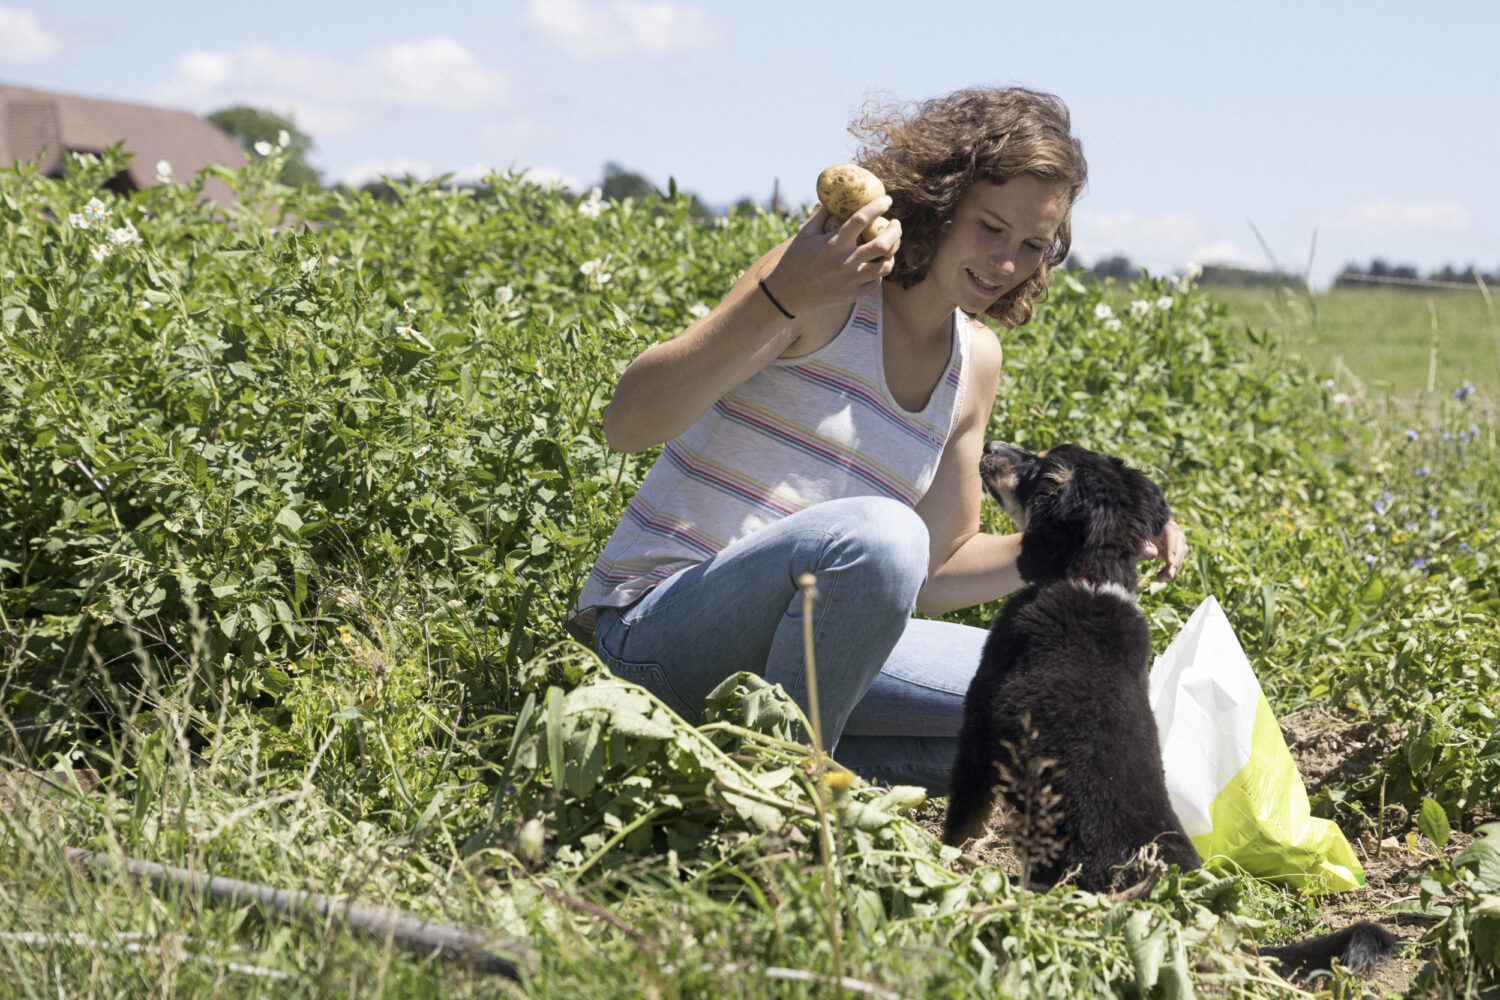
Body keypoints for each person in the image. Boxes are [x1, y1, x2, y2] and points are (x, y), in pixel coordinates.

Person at [567, 87, 1186, 793]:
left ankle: (734, 766)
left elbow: (935, 569)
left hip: (809, 649)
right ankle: (780, 809)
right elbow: (628, 424)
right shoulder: (824, 287)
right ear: (940, 200)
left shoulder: (973, 361)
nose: (1007, 264)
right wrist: (786, 293)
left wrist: (1081, 542)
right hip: (654, 634)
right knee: (884, 532)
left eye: (1033, 246)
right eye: (990, 227)